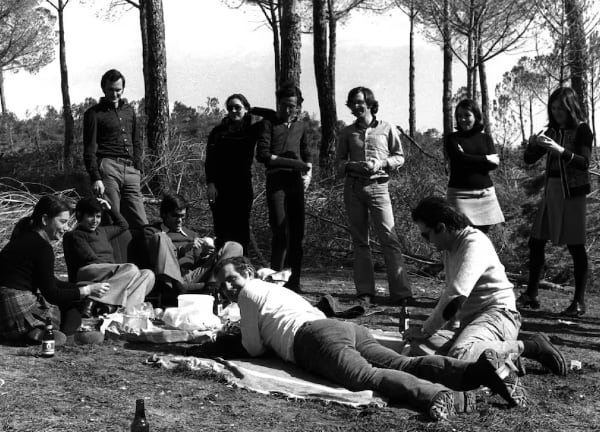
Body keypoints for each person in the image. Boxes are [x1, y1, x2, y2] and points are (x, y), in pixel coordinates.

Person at [200, 256, 527, 421]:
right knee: (404, 361)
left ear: (247, 272)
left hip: (313, 338)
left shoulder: (248, 292)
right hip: (342, 329)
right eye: (222, 285)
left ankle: (439, 396)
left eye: (230, 279)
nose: (228, 288)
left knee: (363, 377)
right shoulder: (276, 289)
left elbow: (254, 349)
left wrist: (235, 333)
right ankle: (479, 371)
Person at [408, 196, 567, 376]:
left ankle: (531, 347)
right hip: (473, 323)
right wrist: (428, 334)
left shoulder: (474, 243)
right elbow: (454, 304)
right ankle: (505, 357)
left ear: (441, 228)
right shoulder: (450, 249)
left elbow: (456, 296)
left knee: (461, 355)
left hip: (497, 315)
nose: (427, 241)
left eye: (425, 235)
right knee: (419, 346)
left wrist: (426, 329)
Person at [517, 87, 592, 317]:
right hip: (551, 191)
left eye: (561, 108)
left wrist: (559, 150)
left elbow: (584, 163)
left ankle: (578, 302)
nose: (557, 112)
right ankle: (532, 295)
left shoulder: (582, 129)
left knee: (575, 246)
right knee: (536, 242)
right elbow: (530, 159)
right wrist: (534, 144)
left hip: (572, 193)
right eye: (554, 108)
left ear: (571, 107)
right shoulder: (551, 130)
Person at [335, 86, 412, 305]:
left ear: (370, 103)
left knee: (389, 238)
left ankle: (401, 293)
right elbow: (338, 164)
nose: (357, 106)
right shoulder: (347, 132)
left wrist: (382, 163)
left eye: (360, 102)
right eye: (353, 103)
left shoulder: (387, 128)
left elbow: (399, 157)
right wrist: (352, 166)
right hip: (354, 189)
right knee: (360, 241)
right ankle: (365, 293)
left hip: (379, 187)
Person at [0, 195, 109, 344]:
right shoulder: (43, 247)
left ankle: (35, 332)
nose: (66, 228)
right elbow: (52, 294)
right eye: (63, 222)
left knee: (71, 296)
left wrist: (80, 288)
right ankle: (69, 336)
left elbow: (49, 280)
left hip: (4, 310)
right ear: (45, 220)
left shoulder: (23, 238)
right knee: (67, 304)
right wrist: (86, 291)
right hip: (17, 306)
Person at [255, 83, 312, 292]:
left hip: (296, 183)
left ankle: (294, 283)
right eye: (284, 105)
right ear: (278, 104)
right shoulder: (269, 124)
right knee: (280, 231)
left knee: (297, 234)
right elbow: (263, 155)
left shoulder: (301, 125)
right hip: (276, 182)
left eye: (292, 106)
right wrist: (293, 164)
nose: (288, 110)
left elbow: (307, 153)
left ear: (298, 106)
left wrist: (309, 173)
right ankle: (276, 283)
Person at [62, 197, 155, 317]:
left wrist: (110, 209)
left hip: (110, 271)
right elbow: (90, 259)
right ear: (80, 215)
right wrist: (120, 271)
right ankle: (95, 299)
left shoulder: (103, 231)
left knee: (148, 274)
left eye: (98, 216)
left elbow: (123, 225)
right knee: (131, 269)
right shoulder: (74, 235)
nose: (95, 221)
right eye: (90, 216)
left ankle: (123, 311)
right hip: (88, 270)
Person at [144, 193, 243, 305]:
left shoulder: (191, 234)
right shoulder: (152, 232)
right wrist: (184, 249)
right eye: (175, 216)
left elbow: (198, 265)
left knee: (233, 246)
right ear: (164, 214)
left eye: (182, 217)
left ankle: (212, 289)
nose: (179, 221)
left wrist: (205, 255)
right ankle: (173, 290)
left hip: (192, 275)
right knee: (161, 237)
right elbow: (154, 257)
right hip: (172, 279)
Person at [83, 68, 148, 228]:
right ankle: (111, 253)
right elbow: (89, 148)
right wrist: (96, 177)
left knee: (141, 222)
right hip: (108, 169)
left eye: (118, 90)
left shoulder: (130, 111)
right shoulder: (93, 113)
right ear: (103, 89)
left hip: (131, 170)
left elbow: (137, 141)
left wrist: (138, 167)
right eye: (110, 90)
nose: (114, 94)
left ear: (123, 89)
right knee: (111, 218)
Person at [205, 93, 260, 254]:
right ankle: (222, 266)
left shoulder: (252, 129)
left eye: (238, 107)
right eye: (230, 108)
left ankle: (242, 266)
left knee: (241, 228)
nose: (234, 110)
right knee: (222, 230)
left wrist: (253, 109)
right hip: (219, 187)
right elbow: (210, 160)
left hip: (242, 186)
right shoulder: (218, 131)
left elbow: (272, 116)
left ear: (246, 108)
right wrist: (210, 183)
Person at [444, 99, 504, 233]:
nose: (463, 119)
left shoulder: (486, 138)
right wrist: (485, 159)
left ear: (476, 116)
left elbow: (493, 165)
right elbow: (458, 159)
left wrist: (468, 159)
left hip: (485, 195)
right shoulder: (452, 138)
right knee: (460, 236)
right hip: (459, 195)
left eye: (467, 115)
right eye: (459, 116)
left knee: (481, 238)